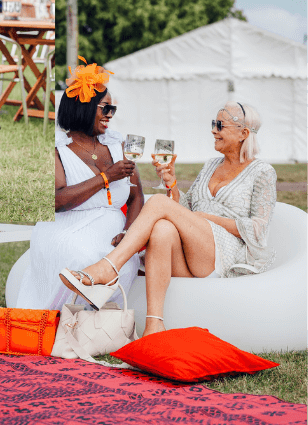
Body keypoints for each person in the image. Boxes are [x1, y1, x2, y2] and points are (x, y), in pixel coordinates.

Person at [60, 101, 277, 337]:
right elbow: (184, 209)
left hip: (225, 256)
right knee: (162, 228)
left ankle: (109, 266)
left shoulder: (262, 172)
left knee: (157, 203)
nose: (213, 130)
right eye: (213, 124)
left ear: (243, 133)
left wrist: (207, 219)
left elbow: (258, 230)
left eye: (220, 125)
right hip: (194, 254)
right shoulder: (211, 165)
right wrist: (171, 182)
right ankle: (154, 326)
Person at [15, 58, 142, 310]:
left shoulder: (118, 145)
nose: (110, 115)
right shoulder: (57, 149)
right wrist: (106, 178)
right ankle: (63, 319)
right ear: (85, 108)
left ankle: (95, 324)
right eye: (105, 108)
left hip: (111, 235)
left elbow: (136, 196)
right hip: (66, 230)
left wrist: (128, 234)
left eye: (112, 109)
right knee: (82, 258)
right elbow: (57, 200)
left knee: (123, 261)